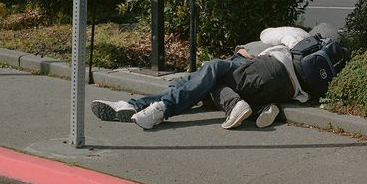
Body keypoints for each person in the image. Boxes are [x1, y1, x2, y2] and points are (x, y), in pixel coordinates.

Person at [91, 40, 310, 131]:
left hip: (253, 65)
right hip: (281, 87)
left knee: (209, 71)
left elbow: (266, 36)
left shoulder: (291, 39)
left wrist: (244, 49)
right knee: (197, 82)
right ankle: (259, 108)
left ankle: (155, 107)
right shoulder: (305, 56)